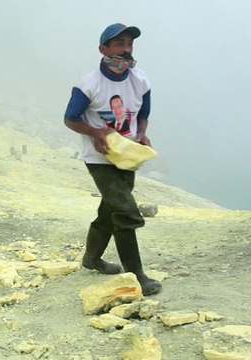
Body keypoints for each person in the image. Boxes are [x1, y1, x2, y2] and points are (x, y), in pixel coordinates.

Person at [63, 23, 161, 296]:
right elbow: (70, 118)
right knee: (126, 211)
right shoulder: (88, 84)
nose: (126, 50)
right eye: (119, 44)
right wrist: (95, 132)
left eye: (129, 44)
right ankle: (136, 275)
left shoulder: (140, 80)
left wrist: (142, 134)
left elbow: (143, 113)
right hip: (99, 157)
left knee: (110, 210)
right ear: (103, 49)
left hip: (127, 155)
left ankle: (91, 259)